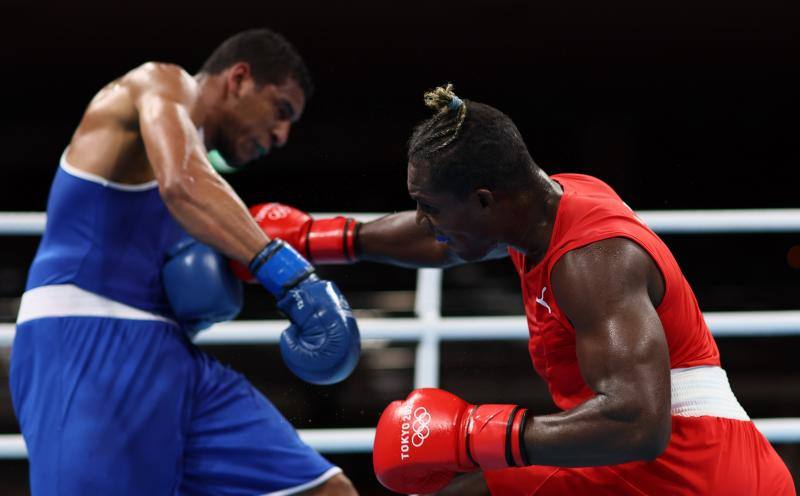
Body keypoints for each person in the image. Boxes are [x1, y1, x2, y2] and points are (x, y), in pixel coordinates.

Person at [245, 84, 796, 495]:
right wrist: (322, 238)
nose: (424, 219)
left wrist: (474, 436)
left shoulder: (593, 262)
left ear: (485, 200)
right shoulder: (536, 211)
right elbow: (437, 240)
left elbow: (638, 422)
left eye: (430, 206)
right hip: (650, 459)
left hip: (693, 468)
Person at [10, 29, 359, 495]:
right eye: (281, 110)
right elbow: (181, 181)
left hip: (172, 356)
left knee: (326, 490)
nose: (281, 135)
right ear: (239, 78)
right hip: (86, 341)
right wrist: (292, 277)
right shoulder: (160, 82)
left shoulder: (203, 176)